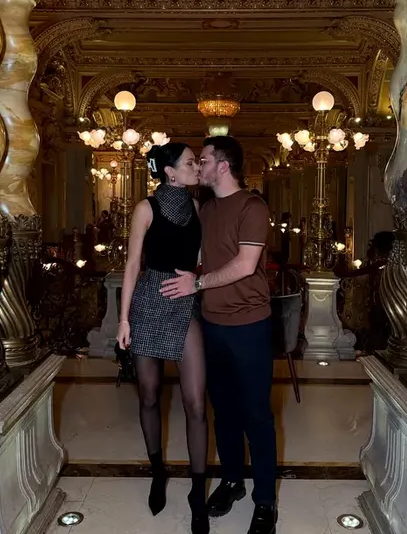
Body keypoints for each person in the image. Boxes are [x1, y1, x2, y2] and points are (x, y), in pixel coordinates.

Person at [162, 135, 278, 534]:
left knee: (256, 416)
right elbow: (196, 254)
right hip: (212, 324)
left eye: (205, 160)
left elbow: (245, 264)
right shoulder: (207, 209)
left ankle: (265, 501)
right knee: (224, 412)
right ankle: (232, 481)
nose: (200, 166)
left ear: (223, 166)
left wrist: (196, 284)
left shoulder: (252, 207)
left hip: (250, 325)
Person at [116, 142, 209, 534]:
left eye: (197, 162)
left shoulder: (198, 207)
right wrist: (124, 319)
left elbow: (202, 257)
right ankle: (158, 471)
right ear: (170, 172)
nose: (197, 167)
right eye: (190, 163)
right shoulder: (146, 208)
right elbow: (132, 264)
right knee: (149, 395)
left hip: (184, 303)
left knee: (196, 403)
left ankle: (198, 494)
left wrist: (198, 279)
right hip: (147, 302)